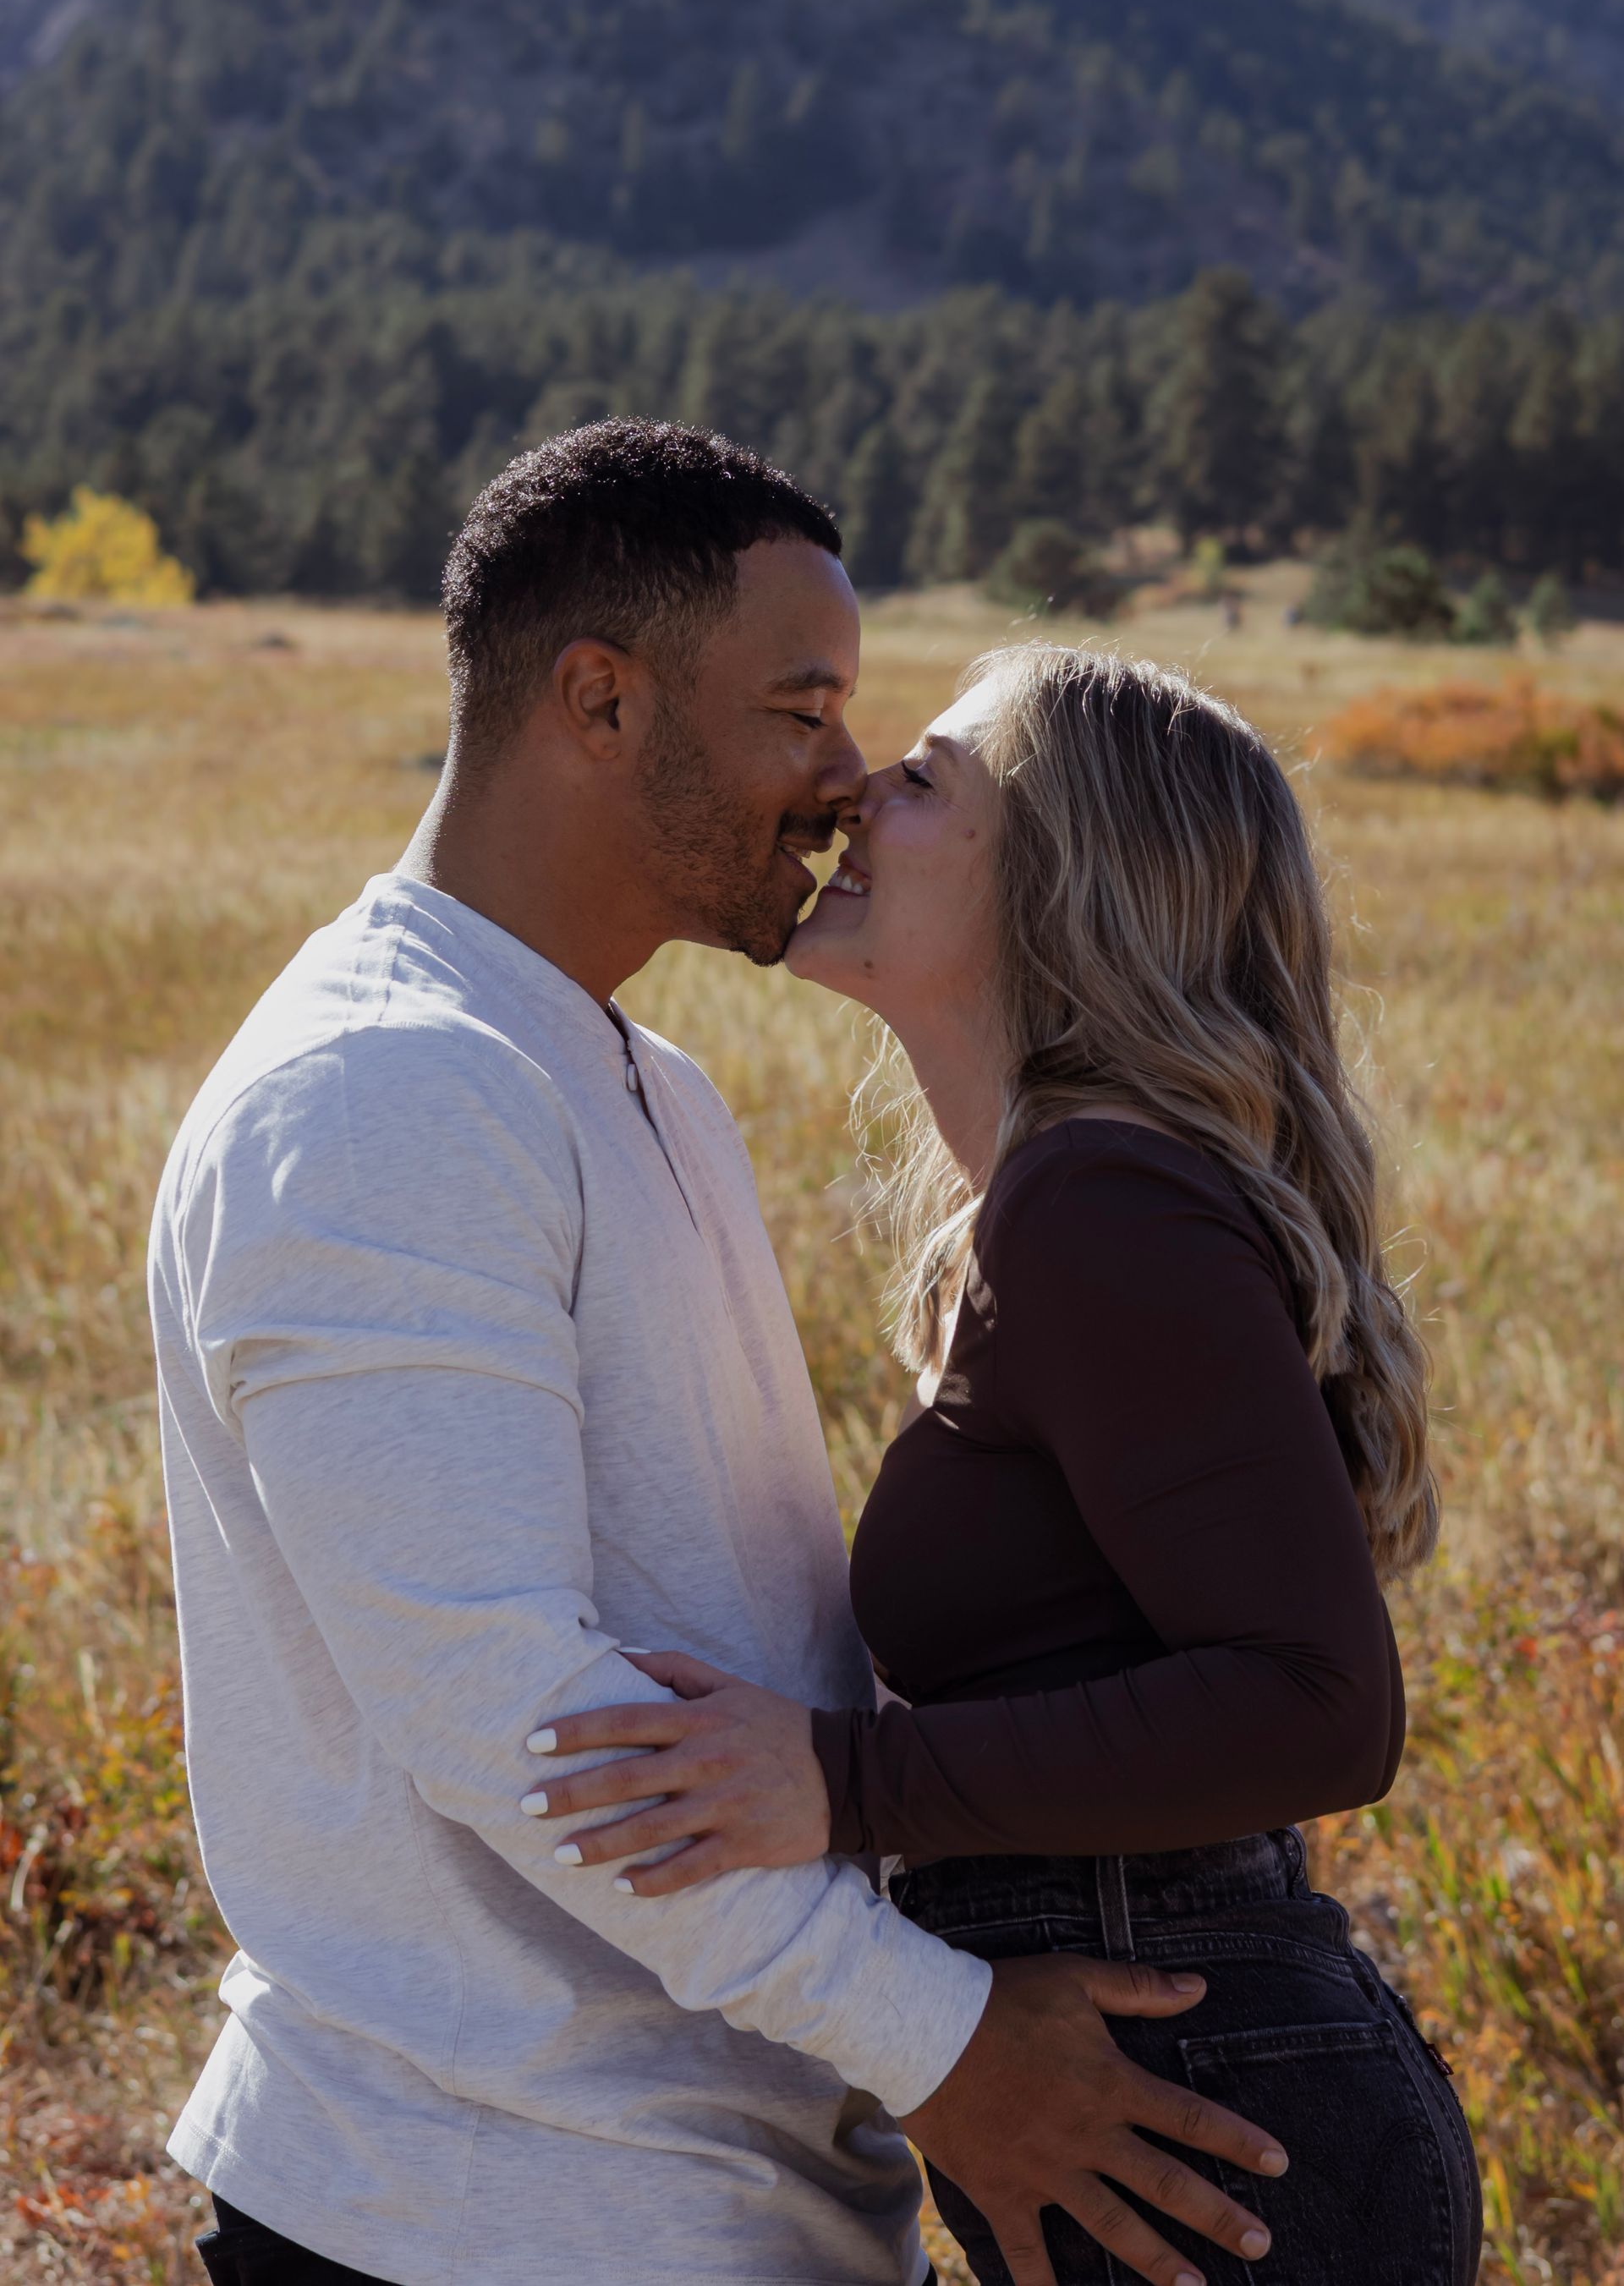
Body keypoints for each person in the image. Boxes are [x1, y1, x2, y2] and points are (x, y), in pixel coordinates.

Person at [150, 425, 1290, 2286]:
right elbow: (516, 1722)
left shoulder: (634, 1081)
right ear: (599, 702)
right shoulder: (380, 1096)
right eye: (802, 708)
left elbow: (752, 1648)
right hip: (487, 2213)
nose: (848, 777)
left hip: (709, 2193)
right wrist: (946, 2043)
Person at [524, 645, 1485, 2286]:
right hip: (1181, 2092)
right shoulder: (1060, 1208)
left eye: (924, 782)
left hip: (1217, 2128)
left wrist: (843, 1781)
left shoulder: (1104, 1204)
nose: (850, 793)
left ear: (1064, 879)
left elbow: (1324, 1701)